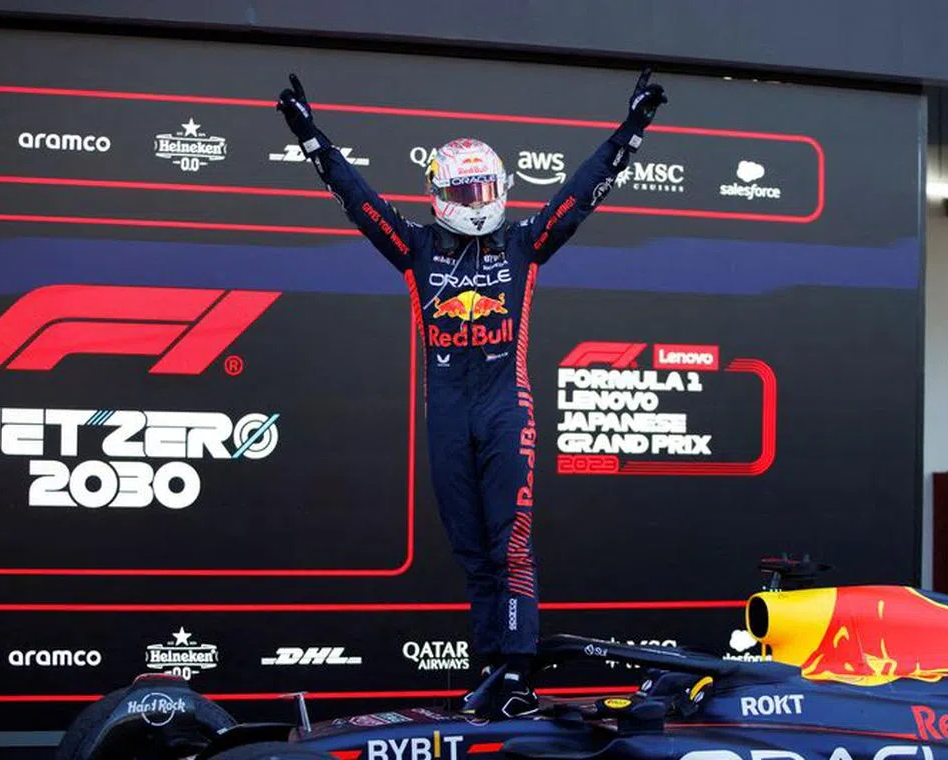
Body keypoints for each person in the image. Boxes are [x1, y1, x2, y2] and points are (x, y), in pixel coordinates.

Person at [276, 69, 667, 717]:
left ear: (503, 189)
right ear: (439, 194)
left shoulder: (524, 245)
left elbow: (579, 195)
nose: (477, 200)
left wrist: (631, 130)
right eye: (465, 190)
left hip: (505, 409)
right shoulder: (414, 249)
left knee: (510, 544)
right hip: (447, 417)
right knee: (471, 552)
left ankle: (517, 672)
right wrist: (311, 137)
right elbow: (358, 200)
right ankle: (491, 668)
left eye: (485, 188)